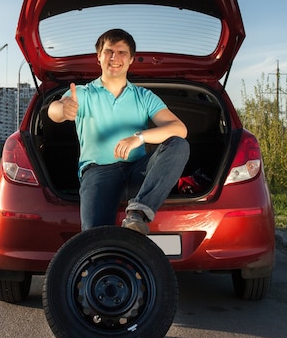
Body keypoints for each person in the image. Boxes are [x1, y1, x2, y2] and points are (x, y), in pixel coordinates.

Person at [47, 28, 190, 235]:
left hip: (138, 172)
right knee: (93, 239)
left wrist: (139, 137)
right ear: (98, 57)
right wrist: (63, 109)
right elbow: (54, 110)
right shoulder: (83, 93)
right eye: (108, 51)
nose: (115, 57)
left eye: (122, 52)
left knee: (178, 144)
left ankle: (137, 214)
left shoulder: (144, 96)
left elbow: (179, 128)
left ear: (131, 59)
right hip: (98, 173)